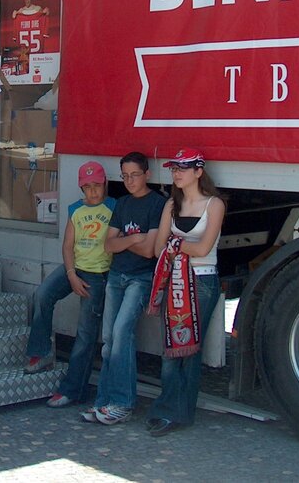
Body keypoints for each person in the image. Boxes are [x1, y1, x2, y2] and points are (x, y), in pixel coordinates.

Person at [82, 151, 167, 425]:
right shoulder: (121, 203)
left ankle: (122, 403)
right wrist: (134, 238)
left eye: (135, 175)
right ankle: (104, 403)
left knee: (121, 333)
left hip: (140, 279)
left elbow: (150, 251)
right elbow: (108, 245)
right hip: (117, 276)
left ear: (148, 175)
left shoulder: (158, 204)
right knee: (108, 339)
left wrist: (126, 240)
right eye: (125, 176)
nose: (130, 181)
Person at [145, 148, 225, 437]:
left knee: (189, 349)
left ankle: (181, 412)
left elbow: (204, 249)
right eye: (174, 168)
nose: (176, 173)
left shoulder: (214, 205)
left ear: (198, 171)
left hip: (202, 282)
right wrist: (178, 248)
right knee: (170, 349)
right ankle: (166, 408)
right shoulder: (171, 206)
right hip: (174, 281)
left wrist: (175, 245)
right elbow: (157, 249)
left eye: (183, 168)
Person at [24, 161, 115, 408]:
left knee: (85, 334)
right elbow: (66, 245)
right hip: (74, 268)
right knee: (43, 294)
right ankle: (40, 352)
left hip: (98, 274)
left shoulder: (114, 207)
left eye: (97, 185)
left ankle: (73, 389)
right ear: (81, 188)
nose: (93, 191)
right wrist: (71, 274)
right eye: (87, 187)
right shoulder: (76, 209)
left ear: (104, 183)